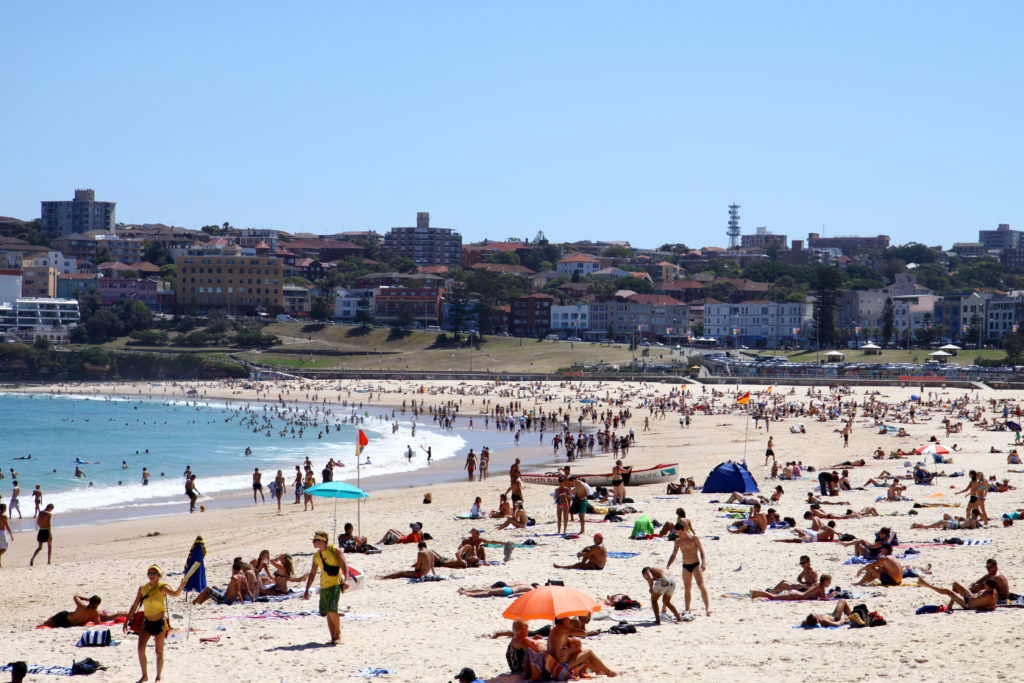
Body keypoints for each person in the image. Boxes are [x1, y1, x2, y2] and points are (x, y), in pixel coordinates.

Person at [124, 564, 186, 683]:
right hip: (147, 623)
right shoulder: (143, 588)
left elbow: (175, 594)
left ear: (159, 576)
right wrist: (126, 620)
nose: (151, 575)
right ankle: (144, 676)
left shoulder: (162, 587)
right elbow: (135, 604)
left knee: (159, 652)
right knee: (141, 650)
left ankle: (158, 677)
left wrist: (180, 587)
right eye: (149, 573)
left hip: (160, 623)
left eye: (154, 573)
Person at [303, 530, 348, 645]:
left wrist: (346, 580)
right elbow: (313, 573)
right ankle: (333, 637)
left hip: (335, 584)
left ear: (321, 541)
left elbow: (345, 565)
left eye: (315, 540)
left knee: (333, 610)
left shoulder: (334, 550)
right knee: (328, 612)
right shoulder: (316, 555)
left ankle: (338, 634)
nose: (313, 542)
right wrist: (307, 589)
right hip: (324, 586)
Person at [545, 616, 617, 679]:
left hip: (554, 667)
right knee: (589, 652)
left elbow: (576, 643)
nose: (569, 620)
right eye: (568, 618)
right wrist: (580, 622)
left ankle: (598, 671)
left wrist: (570, 650)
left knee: (579, 651)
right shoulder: (563, 629)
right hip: (562, 668)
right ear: (565, 620)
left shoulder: (554, 630)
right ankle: (609, 672)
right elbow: (583, 633)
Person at [665, 523, 711, 615]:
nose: (678, 533)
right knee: (687, 588)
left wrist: (704, 563)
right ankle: (687, 609)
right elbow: (674, 554)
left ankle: (707, 608)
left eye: (679, 531)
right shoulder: (678, 541)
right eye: (677, 532)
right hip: (685, 566)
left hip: (695, 565)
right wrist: (668, 565)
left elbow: (701, 551)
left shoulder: (694, 538)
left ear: (684, 529)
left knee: (701, 585)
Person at [918, 576, 998, 611]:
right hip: (970, 597)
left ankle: (926, 584)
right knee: (955, 584)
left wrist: (977, 608)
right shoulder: (989, 591)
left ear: (989, 586)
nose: (984, 585)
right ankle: (950, 605)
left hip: (967, 604)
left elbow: (992, 608)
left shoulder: (990, 596)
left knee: (947, 591)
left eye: (985, 585)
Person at [750, 574, 832, 600]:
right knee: (773, 597)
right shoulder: (821, 587)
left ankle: (757, 594)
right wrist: (833, 594)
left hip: (796, 593)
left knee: (774, 596)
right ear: (825, 581)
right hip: (797, 595)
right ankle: (756, 592)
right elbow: (823, 598)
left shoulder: (817, 585)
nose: (829, 583)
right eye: (829, 581)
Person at [458, 581, 540, 597]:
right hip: (508, 591)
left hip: (506, 587)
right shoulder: (532, 589)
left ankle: (466, 590)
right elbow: (521, 594)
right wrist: (513, 595)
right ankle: (469, 593)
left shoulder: (526, 583)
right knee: (489, 592)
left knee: (487, 590)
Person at [0, 503, 11, 567]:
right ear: (4, 509)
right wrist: (11, 534)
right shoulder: (4, 516)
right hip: (2, 532)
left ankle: (0, 563)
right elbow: (7, 526)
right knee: (4, 548)